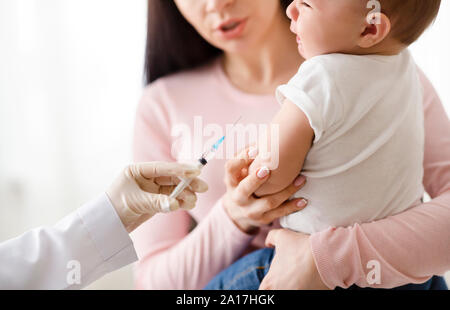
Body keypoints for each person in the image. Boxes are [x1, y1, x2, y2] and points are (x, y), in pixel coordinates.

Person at [132, 0, 450, 290]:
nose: (217, 4)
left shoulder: (383, 66)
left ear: (372, 28)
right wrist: (233, 215)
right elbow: (155, 286)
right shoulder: (162, 105)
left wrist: (327, 258)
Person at [0, 162, 207, 289]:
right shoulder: (160, 101)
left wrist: (114, 210)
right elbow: (156, 283)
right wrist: (228, 215)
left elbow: (23, 270)